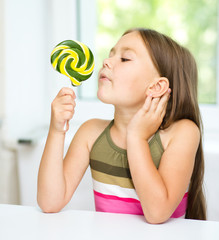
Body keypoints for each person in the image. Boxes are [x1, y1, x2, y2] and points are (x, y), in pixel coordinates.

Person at [37, 28, 206, 224]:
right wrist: (57, 130)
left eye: (125, 59)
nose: (106, 62)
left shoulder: (182, 132)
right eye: (110, 54)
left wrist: (137, 137)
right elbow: (50, 202)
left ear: (156, 87)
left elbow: (157, 213)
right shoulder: (90, 133)